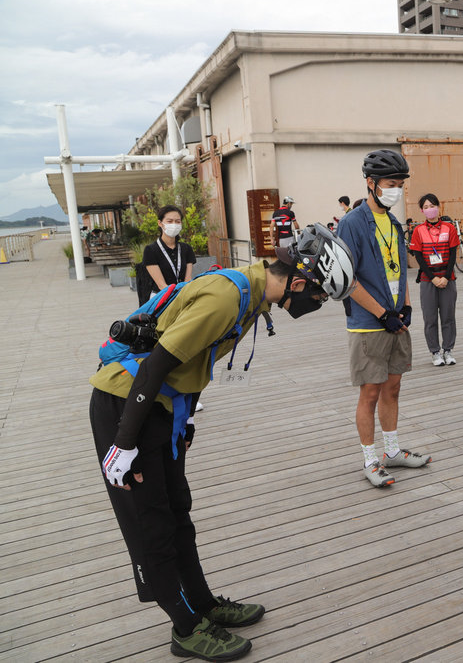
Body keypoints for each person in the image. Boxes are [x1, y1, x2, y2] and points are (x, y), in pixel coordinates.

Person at [91, 225, 354, 661]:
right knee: (152, 521)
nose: (317, 305)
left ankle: (204, 604)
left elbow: (197, 361)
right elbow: (157, 363)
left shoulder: (254, 298)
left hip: (162, 408)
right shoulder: (226, 298)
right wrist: (124, 443)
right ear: (301, 283)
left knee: (178, 510)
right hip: (126, 404)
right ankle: (185, 627)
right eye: (321, 297)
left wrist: (186, 421)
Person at [337, 149, 431, 488]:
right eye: (391, 184)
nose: (396, 190)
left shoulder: (393, 222)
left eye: (400, 185)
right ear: (371, 183)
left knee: (393, 386)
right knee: (371, 393)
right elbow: (346, 280)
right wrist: (382, 314)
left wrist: (405, 307)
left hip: (395, 318)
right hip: (368, 323)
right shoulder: (351, 223)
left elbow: (400, 269)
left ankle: (392, 451)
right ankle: (370, 459)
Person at [409, 193, 460, 366]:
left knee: (448, 316)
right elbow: (418, 257)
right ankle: (435, 352)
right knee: (430, 318)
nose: (430, 209)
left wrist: (445, 277)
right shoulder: (418, 231)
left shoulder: (449, 228)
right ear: (422, 211)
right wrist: (433, 278)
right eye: (426, 207)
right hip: (428, 279)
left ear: (438, 207)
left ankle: (448, 350)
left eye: (432, 206)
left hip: (447, 278)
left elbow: (453, 253)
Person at [142, 205, 196, 302]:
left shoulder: (186, 248)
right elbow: (161, 285)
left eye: (177, 221)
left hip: (183, 296)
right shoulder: (151, 250)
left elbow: (187, 279)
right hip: (161, 298)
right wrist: (175, 298)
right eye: (169, 221)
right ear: (160, 223)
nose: (174, 224)